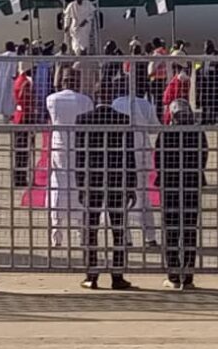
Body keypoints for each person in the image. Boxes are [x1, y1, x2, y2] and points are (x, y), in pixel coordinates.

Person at [75, 85, 135, 290]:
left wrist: (80, 183)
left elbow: (80, 155)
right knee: (118, 228)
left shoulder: (83, 119)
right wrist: (131, 183)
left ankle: (91, 274)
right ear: (112, 97)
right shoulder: (123, 119)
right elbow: (129, 154)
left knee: (91, 228)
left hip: (92, 180)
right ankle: (117, 275)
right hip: (117, 179)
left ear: (96, 95)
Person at [155, 99, 207, 289]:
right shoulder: (197, 133)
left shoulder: (166, 133)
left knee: (171, 230)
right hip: (191, 184)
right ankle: (188, 275)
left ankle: (174, 275)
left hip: (170, 185)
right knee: (189, 230)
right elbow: (203, 157)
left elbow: (158, 159)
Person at [46, 69, 94, 247]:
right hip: (80, 147)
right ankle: (82, 234)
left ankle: (56, 236)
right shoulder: (85, 100)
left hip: (59, 147)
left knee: (58, 187)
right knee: (79, 187)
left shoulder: (52, 99)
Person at [110, 76, 158, 247]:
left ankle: (126, 238)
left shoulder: (114, 104)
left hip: (121, 155)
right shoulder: (144, 104)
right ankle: (150, 237)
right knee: (144, 196)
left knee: (122, 197)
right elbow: (154, 128)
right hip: (142, 153)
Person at [12, 61, 34, 187]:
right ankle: (20, 178)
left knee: (20, 150)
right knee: (23, 150)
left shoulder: (18, 80)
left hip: (18, 115)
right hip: (24, 117)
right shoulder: (26, 82)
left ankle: (19, 177)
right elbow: (25, 99)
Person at [195, 40, 218, 125]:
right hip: (204, 84)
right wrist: (198, 83)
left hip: (214, 84)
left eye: (207, 48)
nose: (205, 50)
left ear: (212, 47)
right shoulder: (200, 58)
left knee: (213, 103)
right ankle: (204, 119)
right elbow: (197, 70)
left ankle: (212, 119)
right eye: (204, 48)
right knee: (204, 103)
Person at [0, 41, 17, 120]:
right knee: (10, 97)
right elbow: (14, 67)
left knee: (3, 96)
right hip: (11, 78)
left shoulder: (2, 56)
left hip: (3, 78)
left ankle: (3, 112)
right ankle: (10, 113)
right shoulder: (14, 56)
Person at [148, 37, 169, 121]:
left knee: (156, 101)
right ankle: (160, 116)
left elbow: (152, 68)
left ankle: (158, 117)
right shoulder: (164, 53)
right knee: (160, 100)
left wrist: (149, 75)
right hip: (163, 79)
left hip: (156, 79)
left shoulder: (157, 54)